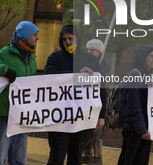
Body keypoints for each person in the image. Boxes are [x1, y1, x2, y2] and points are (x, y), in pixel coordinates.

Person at [0, 21, 39, 165]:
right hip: (4, 113)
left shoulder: (32, 58)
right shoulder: (4, 54)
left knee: (19, 159)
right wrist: (4, 70)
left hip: (22, 115)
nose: (37, 38)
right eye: (34, 34)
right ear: (25, 36)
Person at [44, 25, 107, 165]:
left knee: (76, 158)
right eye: (64, 39)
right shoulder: (54, 58)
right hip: (58, 118)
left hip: (81, 118)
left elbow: (100, 88)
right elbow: (50, 78)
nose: (68, 42)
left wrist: (102, 115)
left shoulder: (90, 59)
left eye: (71, 38)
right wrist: (78, 74)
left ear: (77, 40)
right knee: (56, 158)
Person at [117, 44, 153, 165]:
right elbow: (134, 105)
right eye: (151, 56)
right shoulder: (135, 75)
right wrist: (142, 130)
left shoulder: (148, 76)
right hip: (134, 130)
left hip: (144, 130)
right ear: (142, 57)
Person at [82, 39, 112, 165]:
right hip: (86, 101)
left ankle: (98, 158)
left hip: (99, 101)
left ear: (99, 52)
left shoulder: (104, 64)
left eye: (93, 50)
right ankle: (87, 154)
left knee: (97, 133)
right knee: (87, 130)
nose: (90, 52)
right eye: (89, 50)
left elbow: (103, 84)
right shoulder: (85, 60)